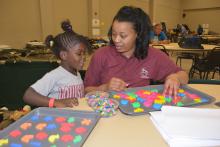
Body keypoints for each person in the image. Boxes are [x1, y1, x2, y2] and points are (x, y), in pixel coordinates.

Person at [84, 6, 188, 97]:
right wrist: (105, 87)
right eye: (114, 34)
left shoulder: (152, 55)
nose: (116, 40)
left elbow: (184, 76)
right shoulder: (101, 55)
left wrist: (176, 77)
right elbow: (86, 91)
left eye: (123, 36)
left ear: (137, 34)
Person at [23, 21, 90, 108]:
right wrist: (56, 102)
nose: (84, 57)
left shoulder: (77, 74)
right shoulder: (55, 75)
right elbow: (28, 95)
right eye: (79, 53)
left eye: (84, 53)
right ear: (64, 55)